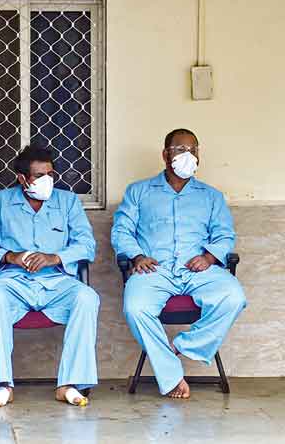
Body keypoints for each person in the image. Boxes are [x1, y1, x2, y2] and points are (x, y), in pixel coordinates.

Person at [112, 128, 246, 399]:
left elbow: (225, 234)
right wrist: (137, 256)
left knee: (233, 296)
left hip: (198, 270)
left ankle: (184, 346)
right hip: (155, 270)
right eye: (181, 150)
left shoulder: (211, 196)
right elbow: (121, 231)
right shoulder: (139, 192)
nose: (189, 155)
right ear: (165, 155)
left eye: (193, 150)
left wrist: (209, 257)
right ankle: (171, 375)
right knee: (135, 307)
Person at [0, 145, 98, 408]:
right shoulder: (1, 202)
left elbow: (87, 245)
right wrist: (9, 255)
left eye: (50, 173)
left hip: (56, 281)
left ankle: (69, 384)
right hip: (14, 282)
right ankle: (3, 384)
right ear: (22, 178)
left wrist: (55, 257)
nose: (47, 180)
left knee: (87, 297)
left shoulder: (68, 201)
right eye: (39, 175)